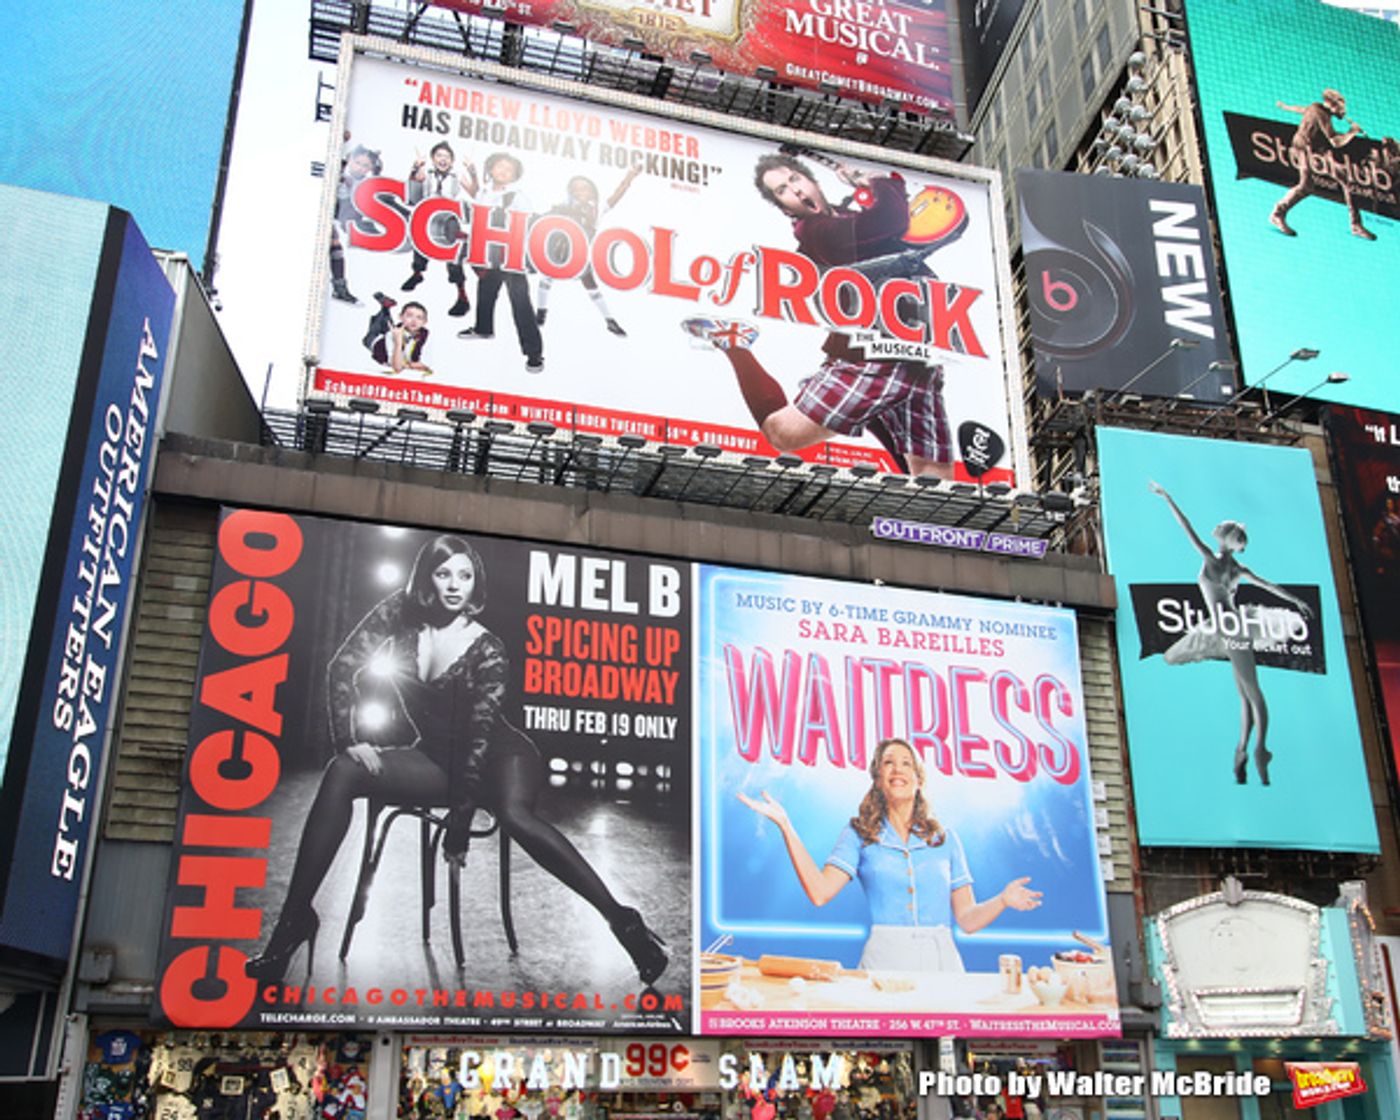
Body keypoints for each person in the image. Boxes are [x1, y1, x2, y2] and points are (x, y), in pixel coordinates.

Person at [246, 535, 667, 986]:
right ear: (427, 577)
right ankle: (294, 921)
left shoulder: (488, 650)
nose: (454, 585)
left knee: (514, 815)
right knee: (343, 771)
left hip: (504, 759)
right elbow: (342, 664)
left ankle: (623, 920)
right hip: (437, 757)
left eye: (465, 576)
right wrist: (347, 741)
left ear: (475, 583)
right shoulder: (400, 611)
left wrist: (460, 829)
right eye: (444, 573)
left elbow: (480, 744)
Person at [682, 152, 957, 478]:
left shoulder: (844, 216)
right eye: (782, 190)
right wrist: (877, 180)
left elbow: (899, 227)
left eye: (795, 179)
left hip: (921, 352)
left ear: (812, 181)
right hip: (873, 358)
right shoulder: (819, 232)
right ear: (785, 208)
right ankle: (734, 342)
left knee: (934, 475)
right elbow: (890, 222)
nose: (795, 190)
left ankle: (873, 413)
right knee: (781, 434)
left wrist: (873, 186)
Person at [737, 738, 1041, 971]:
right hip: (886, 958)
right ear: (878, 779)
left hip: (943, 961)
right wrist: (786, 826)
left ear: (919, 780)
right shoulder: (860, 834)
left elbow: (968, 920)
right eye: (888, 763)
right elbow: (819, 892)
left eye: (907, 763)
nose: (898, 769)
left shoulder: (944, 839)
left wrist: (1002, 900)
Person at [1148, 481, 1314, 785]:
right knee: (1244, 694)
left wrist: (1168, 498)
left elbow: (1188, 530)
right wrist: (1296, 600)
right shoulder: (1236, 568)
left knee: (1252, 692)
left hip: (1229, 626)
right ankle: (1242, 750)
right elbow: (1269, 586)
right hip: (1229, 625)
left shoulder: (1215, 561)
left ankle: (1260, 749)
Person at [457, 152, 545, 373]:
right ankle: (483, 327)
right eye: (500, 166)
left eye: (509, 168)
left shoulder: (518, 196)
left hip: (511, 256)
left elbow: (526, 225)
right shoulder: (484, 193)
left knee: (520, 303)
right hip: (489, 255)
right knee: (485, 290)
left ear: (515, 175)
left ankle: (534, 353)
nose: (504, 170)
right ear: (491, 169)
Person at [535, 167, 640, 336]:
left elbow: (618, 194)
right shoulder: (564, 207)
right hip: (562, 250)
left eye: (583, 188)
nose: (579, 192)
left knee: (592, 287)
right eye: (575, 189)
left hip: (581, 254)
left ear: (592, 191)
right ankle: (541, 313)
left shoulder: (597, 210)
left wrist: (629, 177)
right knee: (546, 279)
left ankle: (609, 321)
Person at [1271, 89, 1376, 240]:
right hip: (1304, 150)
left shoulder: (1315, 107)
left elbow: (1302, 109)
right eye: (1341, 107)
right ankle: (1277, 214)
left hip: (1317, 151)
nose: (1344, 111)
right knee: (1306, 186)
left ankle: (1356, 225)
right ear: (1332, 104)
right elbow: (1335, 142)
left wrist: (1285, 107)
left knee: (1347, 180)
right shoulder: (1323, 115)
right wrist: (1352, 132)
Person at [402, 140, 477, 317]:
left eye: (447, 157)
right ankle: (417, 273)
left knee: (453, 257)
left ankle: (462, 296)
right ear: (433, 158)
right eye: (439, 156)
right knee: (419, 244)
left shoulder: (457, 175)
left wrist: (473, 172)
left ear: (452, 161)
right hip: (428, 217)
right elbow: (412, 191)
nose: (443, 159)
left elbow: (474, 192)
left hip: (448, 218)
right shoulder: (425, 173)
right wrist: (414, 168)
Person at [362, 295, 431, 375]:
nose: (414, 320)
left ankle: (385, 307)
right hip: (376, 342)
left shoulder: (424, 335)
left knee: (389, 325)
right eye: (409, 316)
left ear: (425, 322)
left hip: (397, 332)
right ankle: (384, 308)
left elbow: (424, 364)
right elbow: (397, 366)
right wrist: (398, 341)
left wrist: (409, 365)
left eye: (419, 317)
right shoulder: (390, 335)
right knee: (376, 326)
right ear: (400, 317)